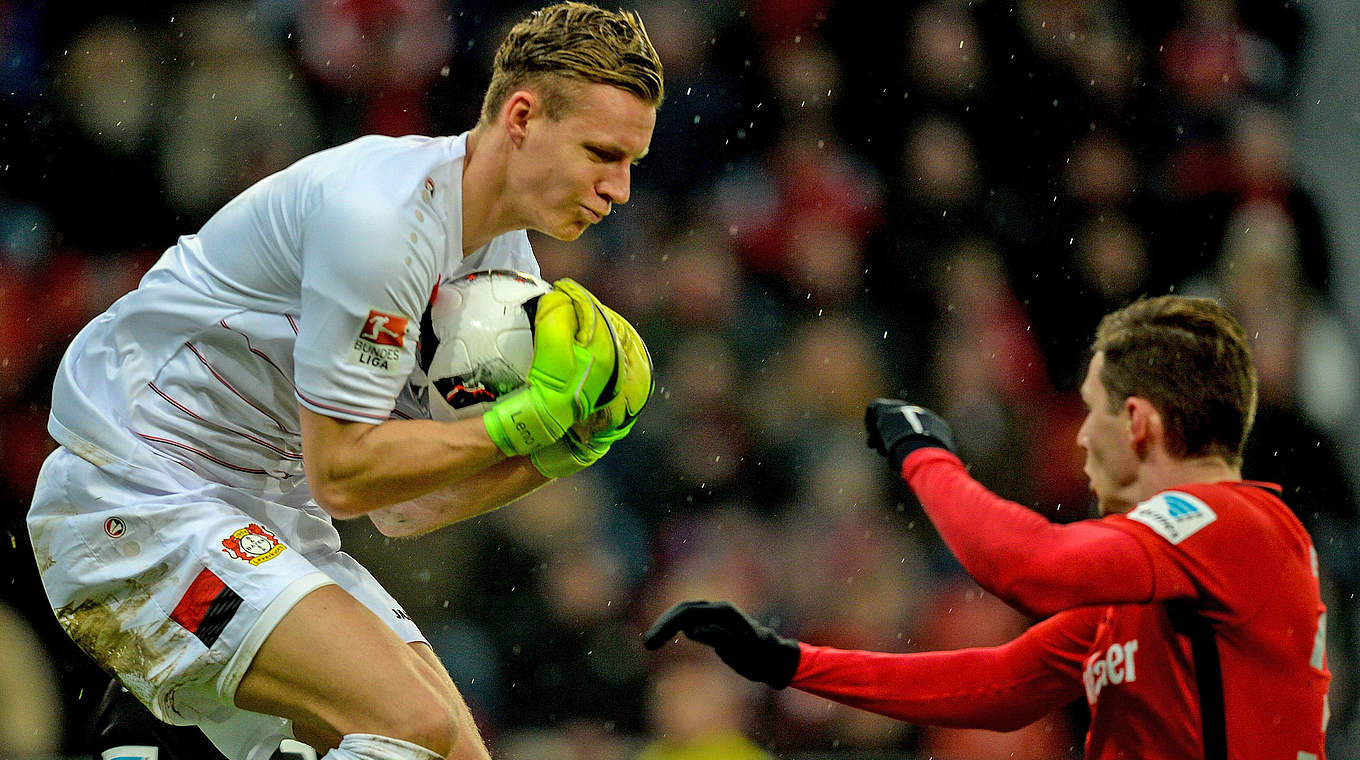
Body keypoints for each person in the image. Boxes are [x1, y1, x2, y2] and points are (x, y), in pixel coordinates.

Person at [27, 3, 664, 760]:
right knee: (409, 727)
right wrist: (522, 421)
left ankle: (155, 741)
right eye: (602, 153)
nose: (619, 189)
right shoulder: (383, 220)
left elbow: (405, 508)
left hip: (262, 515)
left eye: (631, 163)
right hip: (135, 499)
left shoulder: (503, 272)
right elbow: (344, 475)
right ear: (521, 117)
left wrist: (558, 449)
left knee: (458, 753)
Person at [647, 295, 1331, 759]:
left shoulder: (1236, 524)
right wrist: (787, 661)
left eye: (1093, 410)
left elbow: (1023, 563)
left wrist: (923, 456)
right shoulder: (1162, 579)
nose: (1080, 437)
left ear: (1139, 424)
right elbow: (997, 686)